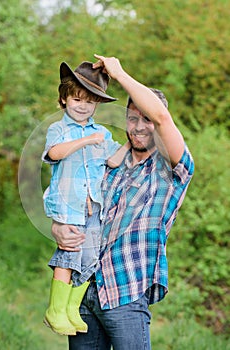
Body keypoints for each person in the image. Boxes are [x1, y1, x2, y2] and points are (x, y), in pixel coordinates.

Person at [51, 54, 194, 349]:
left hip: (124, 294)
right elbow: (77, 202)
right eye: (132, 118)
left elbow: (161, 117)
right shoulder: (108, 161)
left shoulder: (171, 169)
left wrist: (120, 74)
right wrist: (57, 227)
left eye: (146, 120)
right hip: (83, 293)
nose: (139, 126)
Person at [42, 60, 130, 336]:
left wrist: (129, 143)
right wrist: (84, 141)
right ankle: (54, 310)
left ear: (97, 106)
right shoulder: (58, 129)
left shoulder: (101, 133)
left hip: (94, 208)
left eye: (90, 102)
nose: (82, 106)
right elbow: (53, 154)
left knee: (89, 259)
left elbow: (113, 161)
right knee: (68, 255)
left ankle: (70, 308)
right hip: (69, 206)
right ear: (64, 99)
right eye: (77, 99)